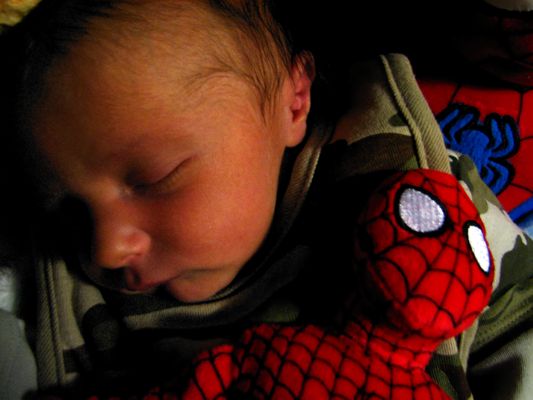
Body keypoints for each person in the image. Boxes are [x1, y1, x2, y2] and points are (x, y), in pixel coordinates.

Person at [0, 0, 531, 399]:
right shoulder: (54, 289)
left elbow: (521, 322)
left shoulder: (407, 195)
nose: (107, 248)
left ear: (294, 104)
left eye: (155, 178)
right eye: (68, 212)